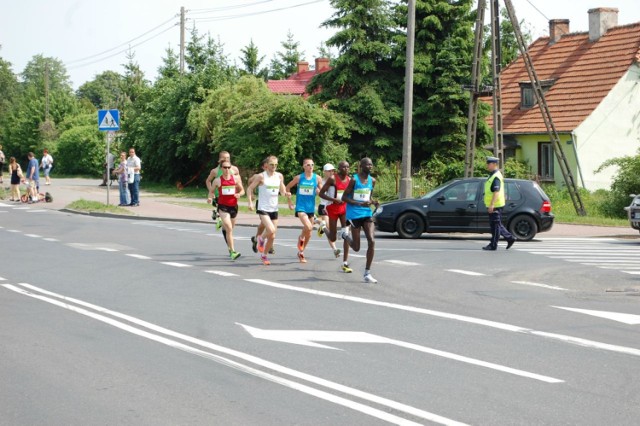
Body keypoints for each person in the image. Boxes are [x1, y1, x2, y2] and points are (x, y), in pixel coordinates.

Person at [341, 157, 379, 283]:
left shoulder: (372, 181)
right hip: (354, 214)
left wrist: (373, 202)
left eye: (371, 165)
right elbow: (344, 197)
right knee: (356, 247)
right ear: (362, 166)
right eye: (368, 165)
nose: (370, 167)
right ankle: (345, 235)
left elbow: (369, 196)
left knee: (372, 241)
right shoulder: (354, 180)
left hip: (367, 214)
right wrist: (358, 203)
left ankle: (367, 273)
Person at [247, 155, 289, 266]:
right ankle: (260, 239)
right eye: (271, 164)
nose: (273, 167)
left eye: (275, 165)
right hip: (263, 208)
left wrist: (286, 194)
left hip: (274, 208)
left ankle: (264, 255)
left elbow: (282, 190)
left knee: (273, 235)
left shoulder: (279, 176)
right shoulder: (261, 177)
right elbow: (250, 188)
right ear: (267, 165)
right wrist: (250, 202)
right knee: (270, 229)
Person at [286, 158, 324, 263]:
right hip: (301, 207)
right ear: (303, 166)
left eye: (312, 164)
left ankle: (301, 252)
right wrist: (289, 201)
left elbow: (322, 192)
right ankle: (301, 238)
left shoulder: (317, 178)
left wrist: (319, 191)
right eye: (308, 165)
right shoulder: (299, 178)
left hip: (310, 208)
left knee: (309, 232)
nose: (310, 166)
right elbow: (287, 188)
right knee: (308, 227)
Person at [208, 160, 245, 260]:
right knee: (229, 228)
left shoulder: (236, 179)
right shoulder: (217, 181)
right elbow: (211, 192)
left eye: (229, 167)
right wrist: (210, 198)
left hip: (233, 207)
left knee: (230, 229)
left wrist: (239, 194)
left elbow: (242, 190)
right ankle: (232, 251)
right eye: (225, 167)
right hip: (223, 207)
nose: (227, 169)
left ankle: (222, 226)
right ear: (221, 168)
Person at [319, 160, 352, 272]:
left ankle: (345, 263)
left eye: (348, 167)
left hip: (344, 209)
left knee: (346, 234)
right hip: (332, 208)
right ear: (339, 169)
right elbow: (321, 193)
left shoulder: (350, 180)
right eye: (343, 167)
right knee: (332, 238)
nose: (346, 169)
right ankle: (323, 227)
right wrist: (333, 199)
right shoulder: (333, 179)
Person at [483, 156, 516, 251]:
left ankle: (493, 245)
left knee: (495, 225)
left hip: (496, 205)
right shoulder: (492, 175)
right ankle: (510, 238)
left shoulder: (496, 176)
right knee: (496, 225)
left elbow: (496, 192)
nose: (487, 165)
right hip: (494, 204)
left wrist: (492, 204)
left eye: (489, 164)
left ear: (494, 164)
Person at [206, 151, 241, 232]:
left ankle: (219, 217)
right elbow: (208, 181)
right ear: (219, 159)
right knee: (222, 209)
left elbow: (239, 182)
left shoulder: (234, 169)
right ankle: (219, 217)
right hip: (219, 195)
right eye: (224, 158)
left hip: (231, 196)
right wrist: (211, 191)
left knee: (230, 222)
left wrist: (239, 192)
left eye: (228, 157)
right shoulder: (215, 171)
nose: (226, 159)